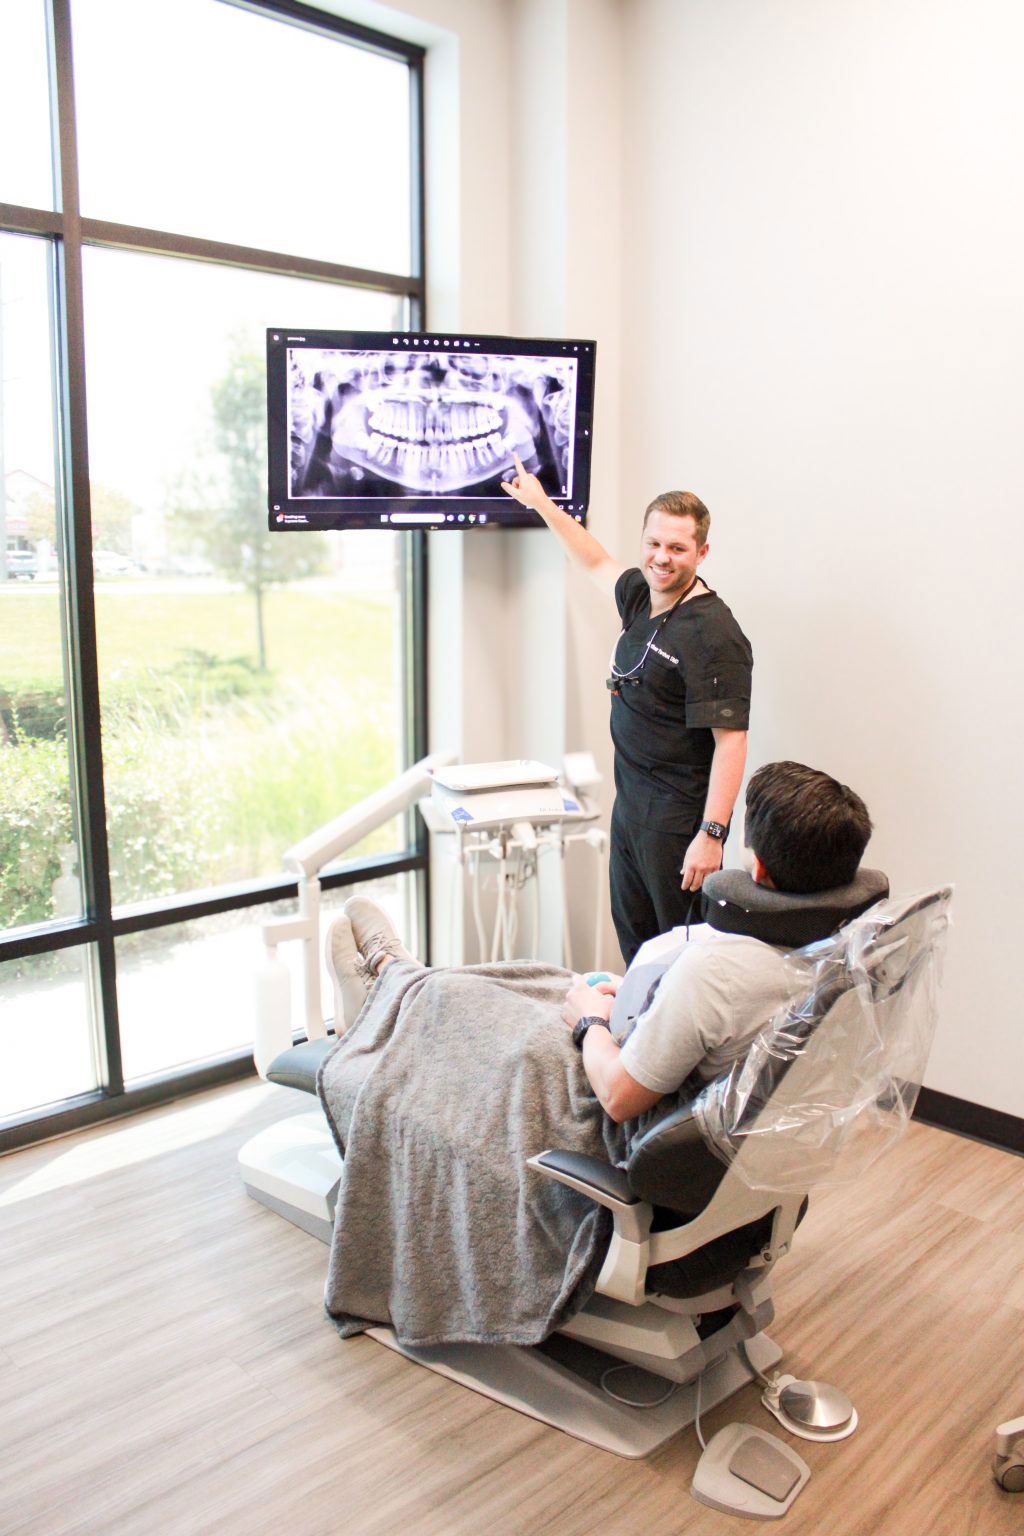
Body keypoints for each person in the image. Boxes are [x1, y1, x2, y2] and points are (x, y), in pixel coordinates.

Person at [317, 762, 873, 1347]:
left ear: (757, 864)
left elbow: (619, 1095)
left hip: (619, 1123)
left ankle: (387, 981)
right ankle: (399, 983)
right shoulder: (838, 955)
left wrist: (589, 1022)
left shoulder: (724, 974)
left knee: (465, 1001)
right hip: (714, 1139)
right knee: (538, 980)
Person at [500, 456, 753, 965]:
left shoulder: (713, 633)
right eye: (654, 544)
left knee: (680, 960)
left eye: (677, 548)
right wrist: (541, 504)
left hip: (678, 823)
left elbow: (732, 740)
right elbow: (593, 561)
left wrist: (711, 836)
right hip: (631, 811)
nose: (662, 558)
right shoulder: (643, 596)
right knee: (637, 952)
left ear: (701, 552)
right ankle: (637, 1042)